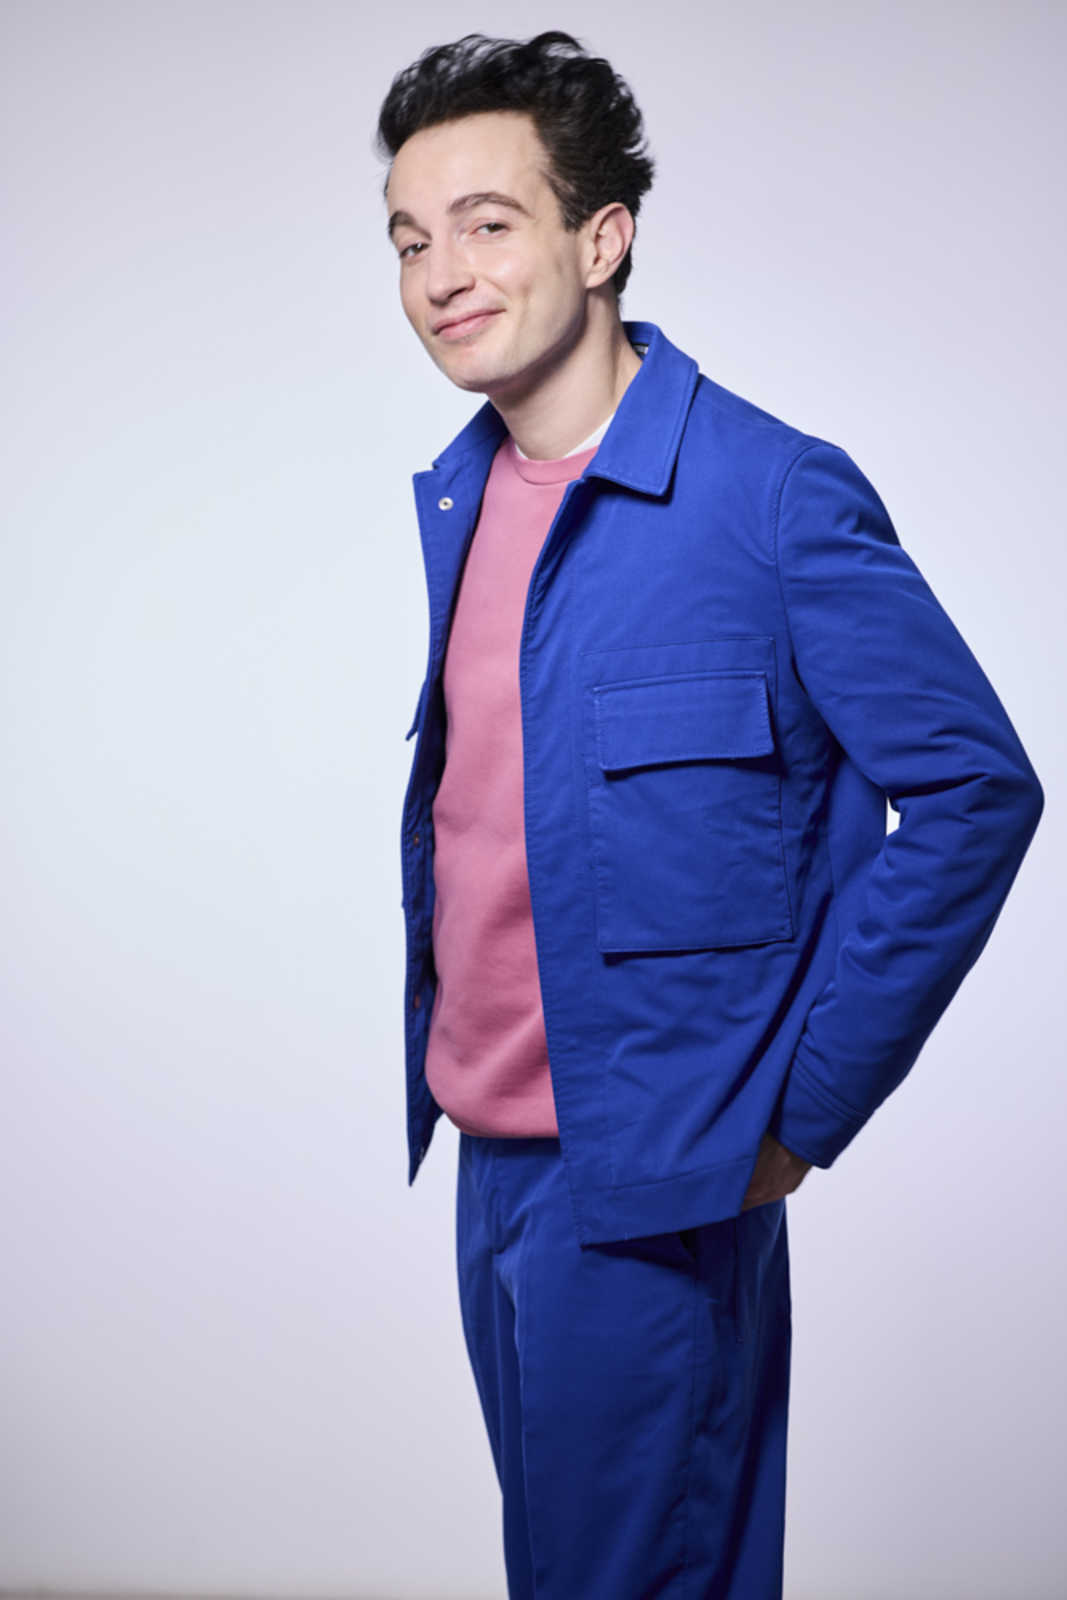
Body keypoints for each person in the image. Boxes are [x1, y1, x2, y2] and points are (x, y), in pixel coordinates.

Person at [376, 30, 1043, 1599]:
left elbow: (976, 790)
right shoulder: (466, 498)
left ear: (602, 237)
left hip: (656, 1190)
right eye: (407, 240)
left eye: (486, 223)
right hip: (489, 1169)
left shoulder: (770, 497)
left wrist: (800, 1114)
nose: (439, 275)